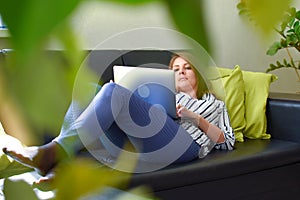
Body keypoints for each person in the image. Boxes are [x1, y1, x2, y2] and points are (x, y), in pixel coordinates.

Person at [2, 53, 235, 186]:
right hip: (152, 138)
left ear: (197, 75)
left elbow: (227, 141)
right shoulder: (165, 95)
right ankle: (62, 160)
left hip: (187, 146)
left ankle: (53, 155)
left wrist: (194, 118)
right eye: (175, 69)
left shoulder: (213, 102)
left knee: (113, 92)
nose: (182, 71)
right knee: (92, 90)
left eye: (188, 68)